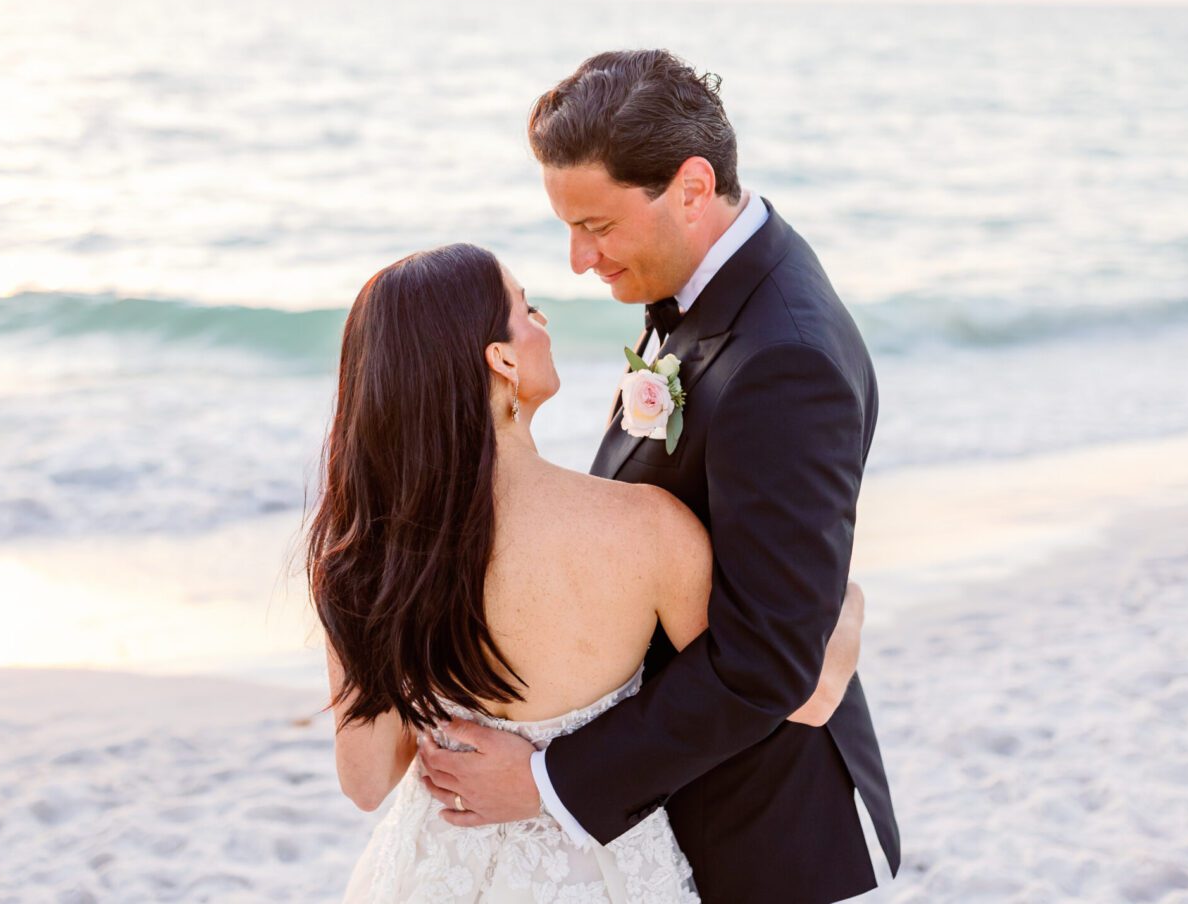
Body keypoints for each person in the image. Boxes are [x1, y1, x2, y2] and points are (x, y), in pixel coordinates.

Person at [415, 51, 900, 903]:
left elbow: (770, 662)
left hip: (767, 842)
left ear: (690, 187)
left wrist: (545, 784)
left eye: (597, 226)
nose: (577, 260)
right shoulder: (711, 289)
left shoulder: (784, 359)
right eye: (569, 227)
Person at [307, 242, 867, 902]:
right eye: (528, 308)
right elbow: (798, 694)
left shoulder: (359, 556)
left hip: (431, 872)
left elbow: (367, 783)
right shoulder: (645, 530)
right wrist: (848, 598)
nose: (544, 322)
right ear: (504, 360)